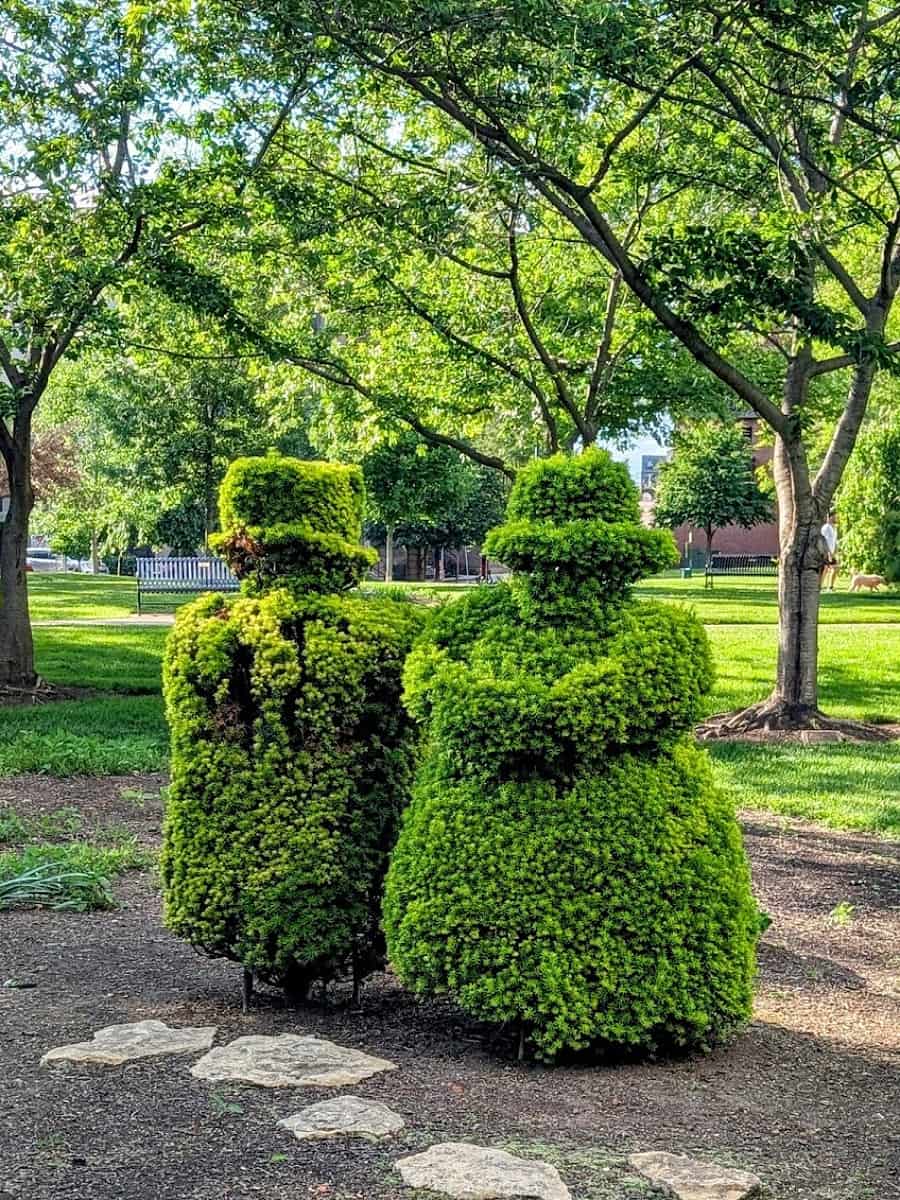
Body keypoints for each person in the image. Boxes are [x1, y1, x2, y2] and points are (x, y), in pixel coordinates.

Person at [821, 513, 839, 591]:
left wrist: (836, 550)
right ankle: (820, 587)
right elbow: (823, 540)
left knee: (836, 568)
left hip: (832, 552)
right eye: (835, 517)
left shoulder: (834, 528)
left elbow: (834, 540)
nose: (836, 518)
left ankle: (831, 587)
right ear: (830, 517)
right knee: (825, 569)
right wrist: (828, 553)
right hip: (825, 552)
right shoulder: (826, 527)